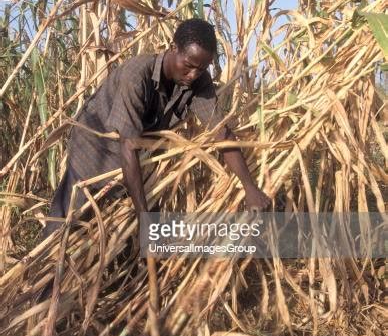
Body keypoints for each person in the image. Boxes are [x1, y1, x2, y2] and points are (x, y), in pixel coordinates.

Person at [43, 19, 270, 238]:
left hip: (133, 158)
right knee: (66, 223)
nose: (193, 76)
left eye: (201, 69)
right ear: (173, 48)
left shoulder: (198, 80)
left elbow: (221, 132)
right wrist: (145, 221)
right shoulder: (137, 75)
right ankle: (43, 267)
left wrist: (250, 188)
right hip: (93, 151)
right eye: (189, 66)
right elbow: (128, 146)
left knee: (119, 230)